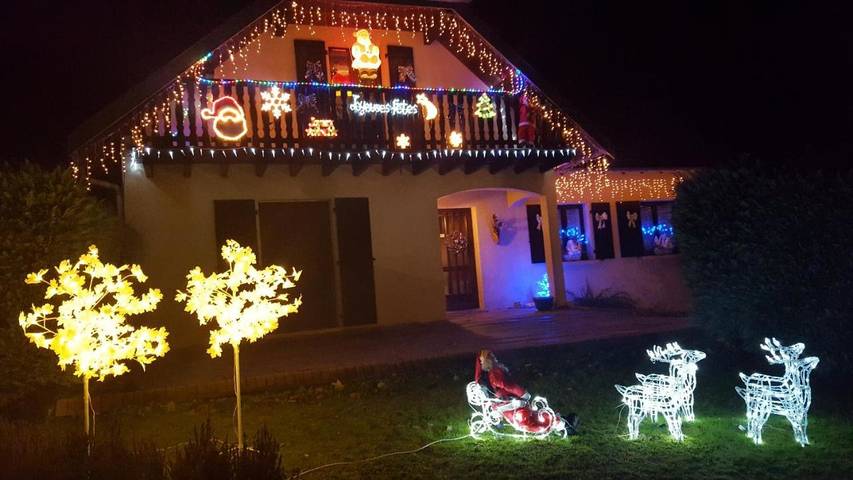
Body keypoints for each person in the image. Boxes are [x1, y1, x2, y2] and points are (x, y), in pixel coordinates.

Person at [474, 350, 579, 435]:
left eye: (483, 360)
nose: (482, 362)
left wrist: (521, 396)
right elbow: (508, 386)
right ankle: (563, 424)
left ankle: (562, 424)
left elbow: (507, 386)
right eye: (481, 360)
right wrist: (522, 395)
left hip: (511, 405)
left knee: (533, 420)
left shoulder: (493, 374)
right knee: (533, 419)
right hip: (511, 405)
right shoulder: (494, 372)